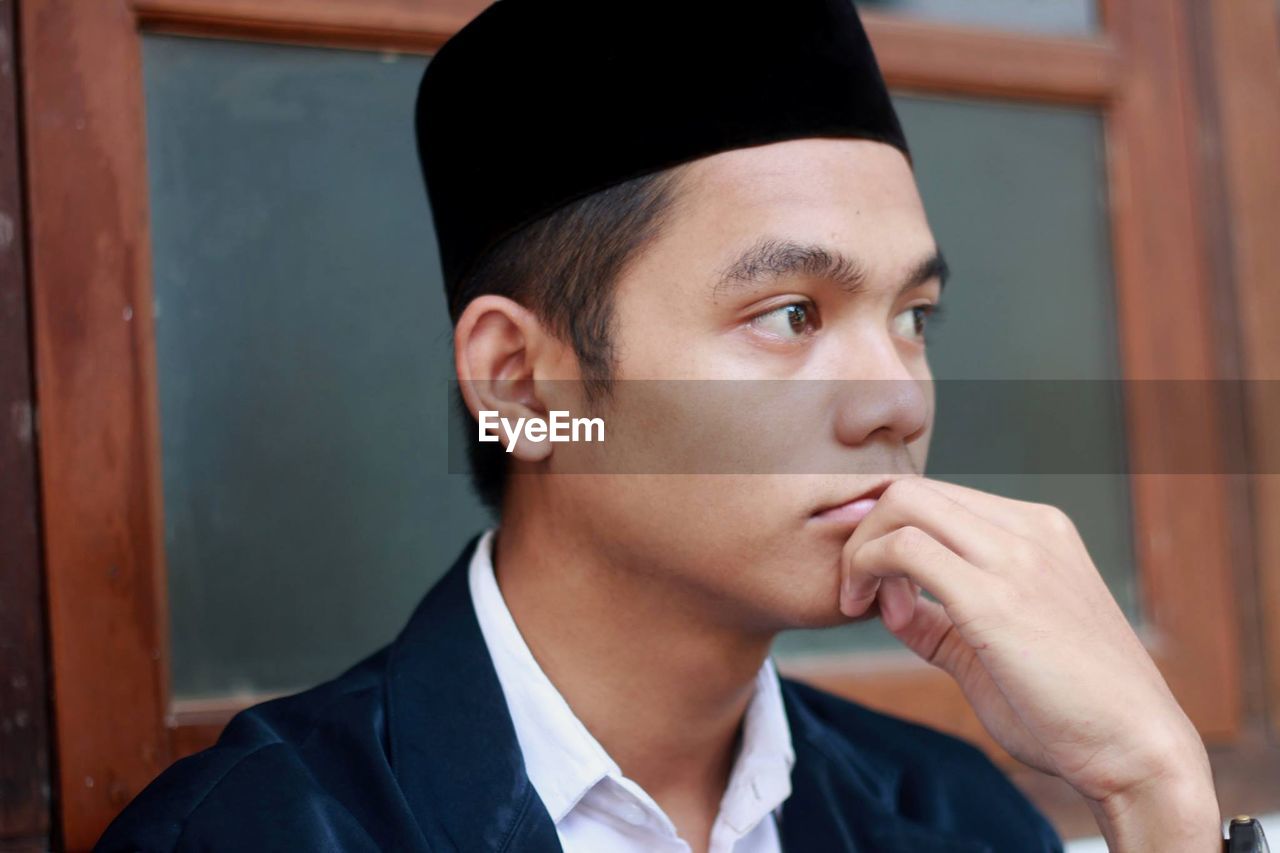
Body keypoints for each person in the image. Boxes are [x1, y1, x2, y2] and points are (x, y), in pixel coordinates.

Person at [98, 0, 1225, 850]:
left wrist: (1150, 786)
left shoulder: (950, 815)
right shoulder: (263, 827)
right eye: (790, 315)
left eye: (912, 316)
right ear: (523, 385)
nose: (897, 398)